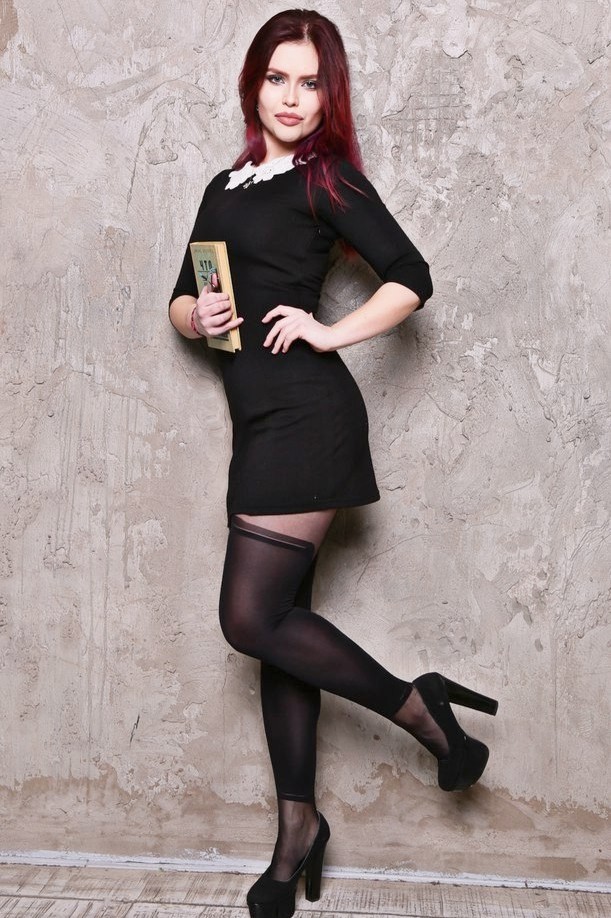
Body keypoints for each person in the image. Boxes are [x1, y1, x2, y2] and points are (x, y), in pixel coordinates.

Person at [168, 10, 498, 918]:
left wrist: (327, 331)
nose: (291, 97)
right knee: (281, 631)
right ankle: (296, 831)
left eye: (310, 82)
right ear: (253, 85)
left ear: (328, 96)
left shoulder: (327, 178)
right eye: (277, 78)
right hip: (254, 423)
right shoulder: (224, 187)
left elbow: (411, 276)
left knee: (249, 618)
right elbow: (182, 298)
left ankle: (418, 708)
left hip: (307, 420)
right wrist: (197, 317)